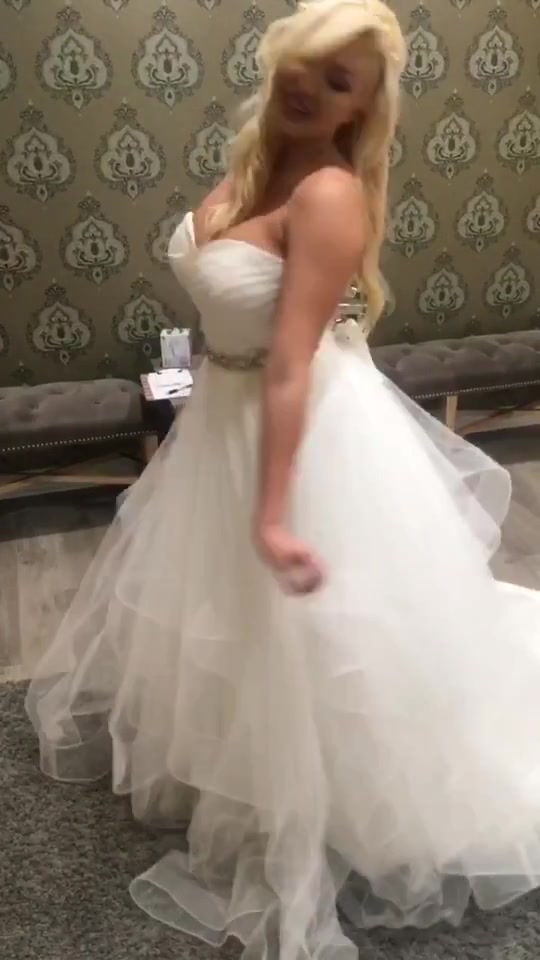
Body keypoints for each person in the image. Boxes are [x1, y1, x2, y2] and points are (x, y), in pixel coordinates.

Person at [25, 1, 540, 958]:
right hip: (225, 413)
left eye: (341, 81)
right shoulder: (257, 161)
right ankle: (253, 761)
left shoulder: (330, 194)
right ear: (281, 57)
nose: (312, 85)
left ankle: (339, 789)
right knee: (233, 619)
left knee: (315, 633)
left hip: (299, 431)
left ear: (359, 110)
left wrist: (271, 515)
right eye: (309, 61)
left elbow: (293, 364)